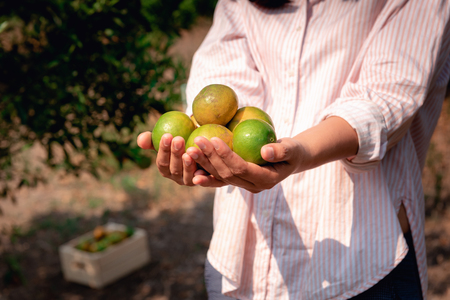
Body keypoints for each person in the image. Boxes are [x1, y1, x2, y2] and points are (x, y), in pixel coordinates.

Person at [137, 0, 450, 299]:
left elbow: (384, 100)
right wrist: (208, 152)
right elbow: (219, 88)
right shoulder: (242, 3)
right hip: (245, 260)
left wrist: (300, 151)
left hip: (362, 263)